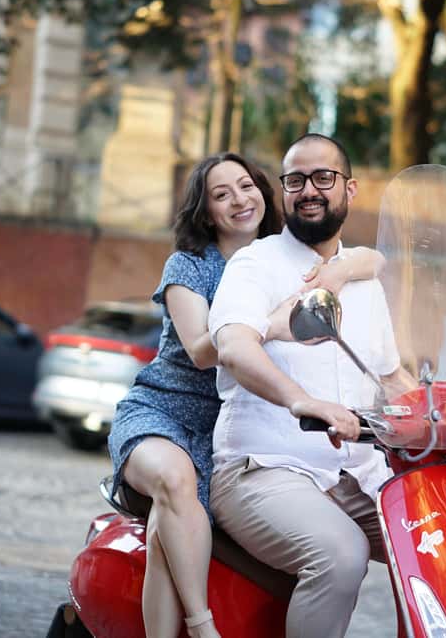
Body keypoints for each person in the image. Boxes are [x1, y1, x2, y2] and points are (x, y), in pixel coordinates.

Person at [107, 151, 385, 638]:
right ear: (206, 211)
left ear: (264, 191)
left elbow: (371, 257)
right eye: (221, 194)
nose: (239, 199)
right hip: (168, 411)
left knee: (179, 519)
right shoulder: (190, 266)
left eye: (246, 186)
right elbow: (199, 350)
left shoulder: (282, 258)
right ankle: (200, 624)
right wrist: (265, 326)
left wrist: (346, 268)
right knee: (172, 493)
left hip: (223, 424)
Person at [208, 134, 416, 638]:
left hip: (358, 475)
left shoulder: (363, 279)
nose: (309, 190)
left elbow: (389, 376)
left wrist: (443, 411)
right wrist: (301, 400)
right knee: (341, 554)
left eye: (323, 178)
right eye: (295, 180)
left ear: (350, 189)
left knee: (442, 542)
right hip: (263, 468)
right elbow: (234, 346)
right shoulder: (254, 264)